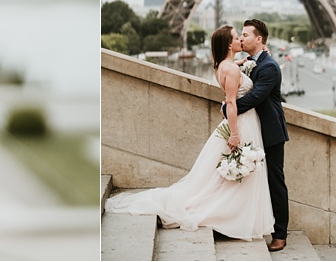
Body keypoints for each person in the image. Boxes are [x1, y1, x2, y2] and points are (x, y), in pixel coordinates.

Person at [105, 25, 274, 240]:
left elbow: (233, 75)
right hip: (240, 124)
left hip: (242, 122)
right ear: (228, 44)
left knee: (224, 176)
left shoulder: (225, 66)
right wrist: (234, 134)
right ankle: (233, 217)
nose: (240, 39)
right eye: (235, 37)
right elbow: (231, 102)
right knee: (235, 175)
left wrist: (247, 62)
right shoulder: (230, 69)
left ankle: (235, 215)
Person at [234, 18, 290, 251]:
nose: (241, 38)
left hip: (270, 131)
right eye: (240, 35)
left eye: (245, 35)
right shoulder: (250, 61)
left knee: (275, 181)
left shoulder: (268, 66)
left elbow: (256, 96)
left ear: (259, 39)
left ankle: (280, 234)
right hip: (252, 129)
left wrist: (229, 109)